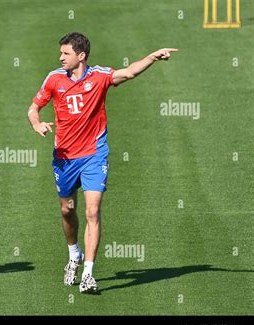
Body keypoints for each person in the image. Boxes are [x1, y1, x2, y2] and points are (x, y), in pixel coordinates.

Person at [27, 32, 177, 293]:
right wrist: (36, 123)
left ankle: (88, 273)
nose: (60, 57)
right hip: (64, 158)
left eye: (66, 53)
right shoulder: (54, 79)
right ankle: (74, 254)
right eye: (61, 53)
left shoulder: (99, 76)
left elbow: (128, 72)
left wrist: (152, 57)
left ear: (81, 56)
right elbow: (33, 108)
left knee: (93, 211)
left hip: (94, 155)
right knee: (67, 209)